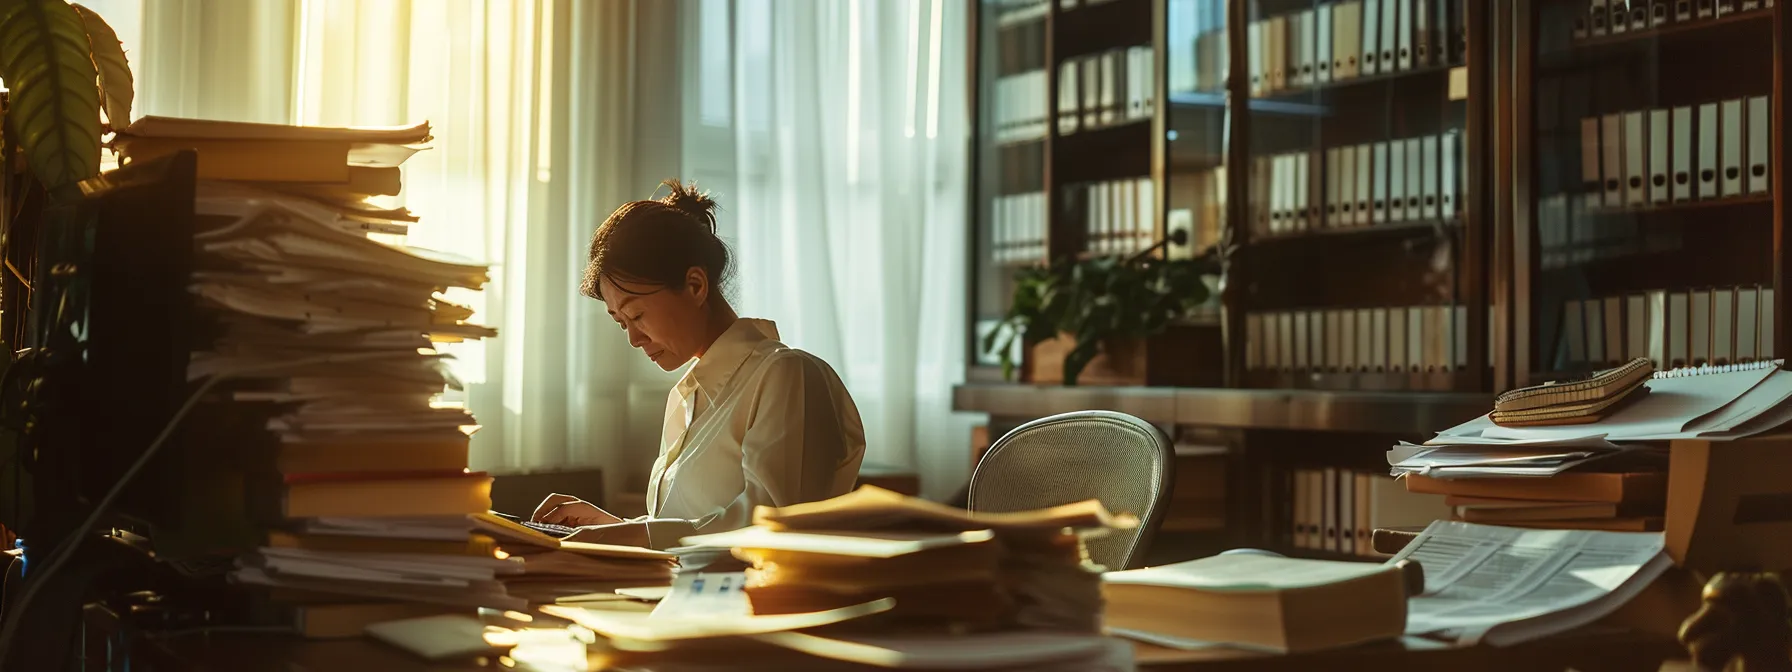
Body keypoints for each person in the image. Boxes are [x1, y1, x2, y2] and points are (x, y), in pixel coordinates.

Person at [531, 179, 867, 549]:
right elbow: (696, 525)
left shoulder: (789, 376)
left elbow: (775, 528)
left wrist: (641, 536)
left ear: (695, 286)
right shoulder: (688, 396)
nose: (634, 339)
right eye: (621, 323)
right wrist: (618, 527)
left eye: (637, 315)